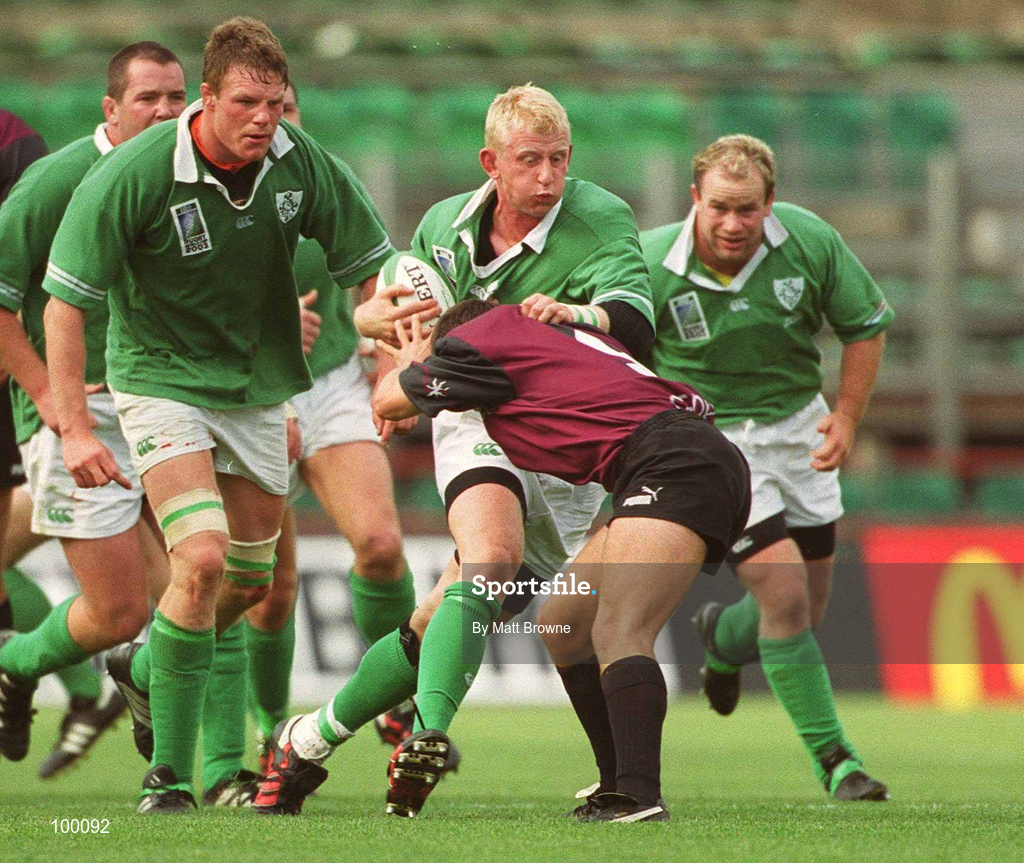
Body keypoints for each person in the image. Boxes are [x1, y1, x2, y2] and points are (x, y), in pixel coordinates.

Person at [255, 83, 657, 818]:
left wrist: (574, 313)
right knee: (492, 555)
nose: (547, 177)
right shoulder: (444, 226)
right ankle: (428, 735)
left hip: (565, 444)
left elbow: (636, 326)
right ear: (491, 162)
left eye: (559, 160)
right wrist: (391, 371)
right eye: (529, 161)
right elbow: (399, 327)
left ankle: (306, 740)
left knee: (446, 610)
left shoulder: (600, 218)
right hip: (473, 415)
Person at [41, 18, 393, 813]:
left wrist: (394, 338)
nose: (263, 118)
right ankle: (167, 776)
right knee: (198, 559)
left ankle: (143, 666)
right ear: (206, 98)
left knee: (248, 578)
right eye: (245, 101)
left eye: (274, 102)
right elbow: (65, 303)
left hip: (259, 386)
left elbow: (373, 267)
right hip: (158, 378)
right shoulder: (135, 170)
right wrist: (72, 426)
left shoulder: (300, 163)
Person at [257, 299, 750, 822]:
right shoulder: (566, 338)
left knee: (620, 629)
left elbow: (389, 401)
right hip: (682, 455)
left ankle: (637, 796)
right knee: (564, 622)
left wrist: (416, 359)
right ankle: (311, 737)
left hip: (667, 465)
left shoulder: (484, 337)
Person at [639, 134, 890, 800]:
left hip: (797, 429)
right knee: (781, 591)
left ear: (770, 204)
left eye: (746, 209)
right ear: (695, 198)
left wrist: (846, 416)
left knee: (808, 603)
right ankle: (838, 761)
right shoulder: (650, 261)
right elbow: (614, 348)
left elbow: (865, 325)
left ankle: (723, 637)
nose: (731, 223)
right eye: (719, 206)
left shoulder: (808, 242)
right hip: (711, 439)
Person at [0, 44, 190, 774]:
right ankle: (17, 663)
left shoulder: (189, 179)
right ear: (110, 109)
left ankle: (199, 767)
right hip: (85, 416)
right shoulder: (53, 182)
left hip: (170, 403)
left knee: (212, 582)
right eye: (148, 98)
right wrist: (53, 398)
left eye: (177, 97)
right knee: (121, 613)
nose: (167, 112)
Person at [242, 81, 418, 766]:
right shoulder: (203, 192)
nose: (272, 122)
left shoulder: (319, 174)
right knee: (270, 586)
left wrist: (384, 363)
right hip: (248, 394)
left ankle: (393, 703)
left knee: (378, 542)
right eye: (258, 109)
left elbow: (375, 271)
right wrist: (274, 329)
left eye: (286, 109)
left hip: (333, 381)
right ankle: (267, 726)